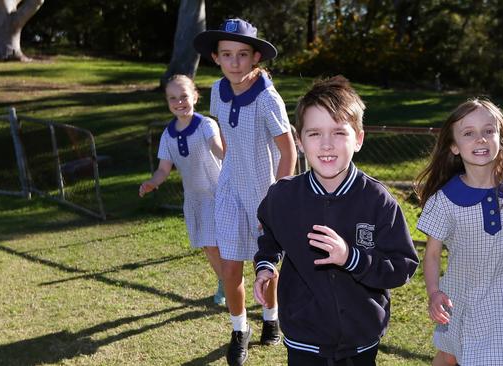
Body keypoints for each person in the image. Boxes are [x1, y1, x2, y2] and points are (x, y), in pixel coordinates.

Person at [253, 75, 419, 366]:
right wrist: (265, 265)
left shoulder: (378, 201)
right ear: (300, 141)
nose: (326, 144)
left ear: (359, 139)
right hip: (304, 338)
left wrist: (352, 258)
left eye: (339, 133)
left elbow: (401, 267)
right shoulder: (283, 196)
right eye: (315, 134)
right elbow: (270, 234)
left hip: (360, 339)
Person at [193, 18, 297, 366]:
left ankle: (271, 317)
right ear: (216, 58)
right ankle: (239, 331)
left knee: (264, 265)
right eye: (226, 55)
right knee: (230, 266)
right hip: (230, 191)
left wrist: (279, 199)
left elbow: (289, 151)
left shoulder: (268, 98)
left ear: (255, 57)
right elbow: (224, 136)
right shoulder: (216, 91)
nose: (234, 62)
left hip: (264, 194)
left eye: (241, 54)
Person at [415, 98, 503, 366]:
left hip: (502, 298)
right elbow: (432, 254)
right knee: (449, 355)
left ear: (501, 138)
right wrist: (434, 293)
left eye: (488, 131)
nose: (480, 139)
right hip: (457, 296)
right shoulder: (444, 200)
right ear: (455, 146)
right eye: (469, 133)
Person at [139, 74, 225, 306]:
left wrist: (230, 153)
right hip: (195, 198)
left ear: (195, 97)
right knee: (209, 245)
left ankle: (241, 280)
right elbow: (163, 170)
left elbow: (217, 148)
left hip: (219, 193)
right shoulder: (167, 135)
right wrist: (152, 183)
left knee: (223, 242)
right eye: (173, 98)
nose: (179, 102)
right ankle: (224, 281)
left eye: (184, 96)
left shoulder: (206, 124)